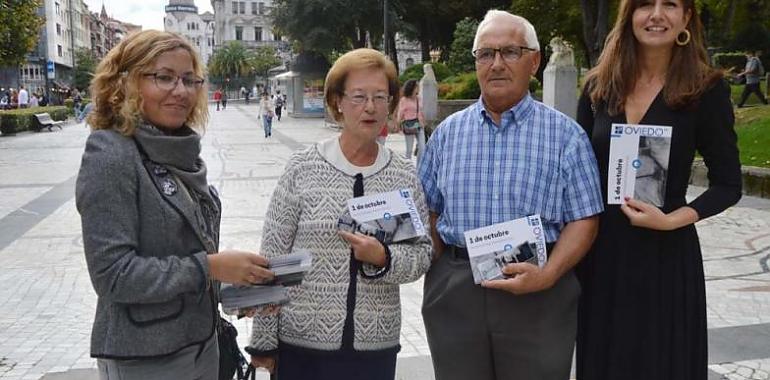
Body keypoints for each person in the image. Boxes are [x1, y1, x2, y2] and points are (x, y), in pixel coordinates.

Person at [75, 30, 274, 380]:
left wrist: (238, 287)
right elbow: (114, 276)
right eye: (163, 77)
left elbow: (191, 255)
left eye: (189, 80)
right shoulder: (111, 154)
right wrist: (211, 267)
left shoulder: (181, 152)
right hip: (147, 357)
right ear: (125, 83)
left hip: (203, 345)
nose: (180, 91)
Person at [418, 10, 603, 380]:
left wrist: (549, 275)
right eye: (486, 54)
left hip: (538, 290)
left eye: (510, 52)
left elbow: (585, 218)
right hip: (457, 289)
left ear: (534, 61)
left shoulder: (566, 137)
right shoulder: (446, 135)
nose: (496, 64)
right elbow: (429, 211)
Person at [575, 1, 743, 379]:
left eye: (670, 4)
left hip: (666, 254)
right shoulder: (597, 87)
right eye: (645, 4)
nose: (656, 14)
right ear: (629, 16)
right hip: (603, 255)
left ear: (686, 18)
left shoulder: (706, 89)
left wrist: (672, 221)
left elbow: (729, 183)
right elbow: (579, 174)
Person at [246, 48, 433, 380]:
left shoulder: (404, 175)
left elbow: (421, 254)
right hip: (301, 345)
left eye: (380, 96)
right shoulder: (303, 167)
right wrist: (263, 343)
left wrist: (384, 257)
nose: (371, 107)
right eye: (359, 96)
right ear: (337, 102)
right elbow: (271, 256)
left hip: (374, 348)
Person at [395, 79, 426, 161]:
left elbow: (421, 111)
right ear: (412, 87)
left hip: (419, 125)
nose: (418, 88)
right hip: (409, 125)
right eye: (417, 86)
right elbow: (400, 113)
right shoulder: (404, 100)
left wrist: (423, 122)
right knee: (409, 149)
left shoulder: (418, 99)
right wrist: (398, 126)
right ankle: (407, 166)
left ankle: (419, 168)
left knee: (422, 148)